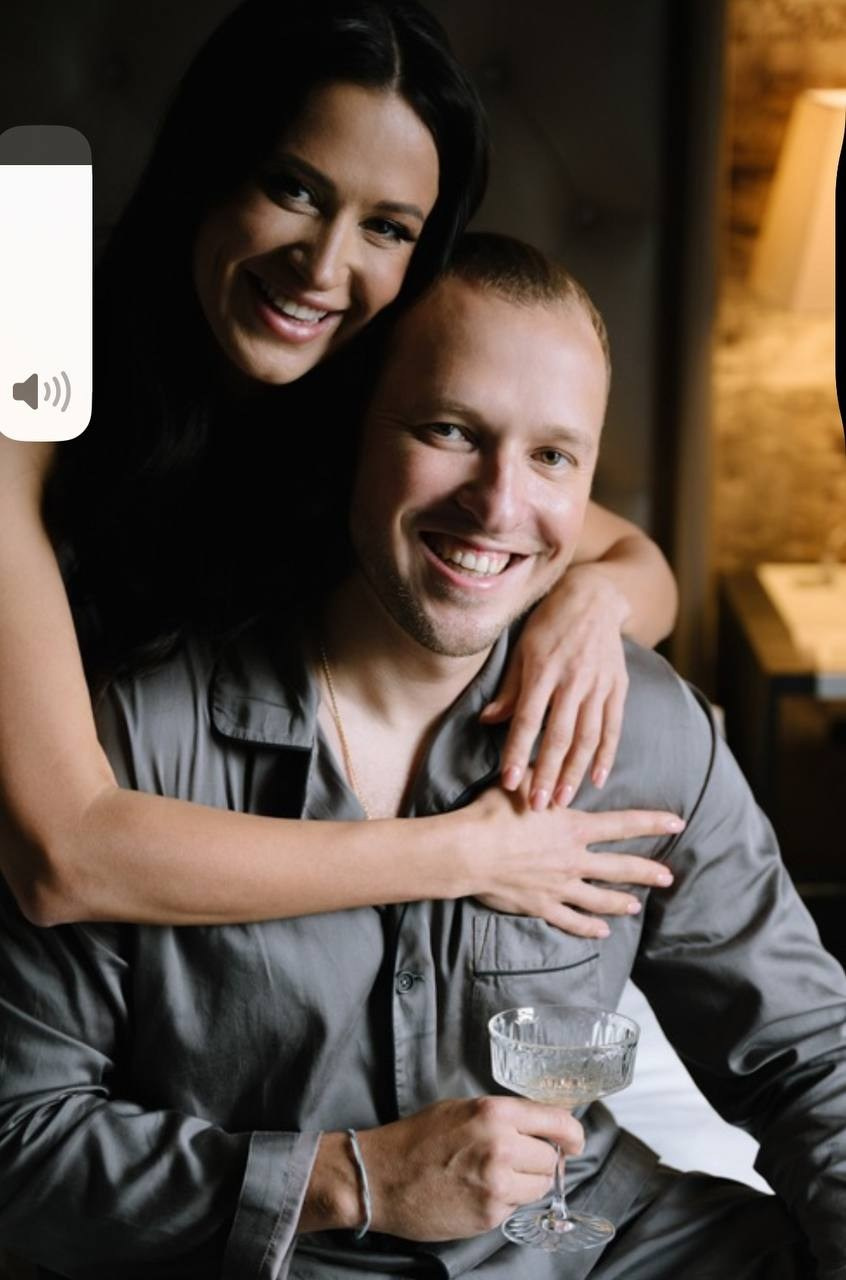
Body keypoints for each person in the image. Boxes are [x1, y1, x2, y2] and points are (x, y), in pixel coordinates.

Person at [0, 233, 843, 1280]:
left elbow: (815, 1060)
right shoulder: (140, 738)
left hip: (591, 1246)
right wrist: (349, 1178)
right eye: (449, 430)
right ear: (351, 433)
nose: (499, 505)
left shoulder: (646, 726)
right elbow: (20, 1141)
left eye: (553, 457)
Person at [0, 0, 678, 935]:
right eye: (295, 189)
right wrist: (467, 854)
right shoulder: (30, 347)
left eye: (387, 228)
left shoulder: (363, 398)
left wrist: (590, 608)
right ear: (209, 164)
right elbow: (61, 857)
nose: (323, 267)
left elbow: (638, 562)